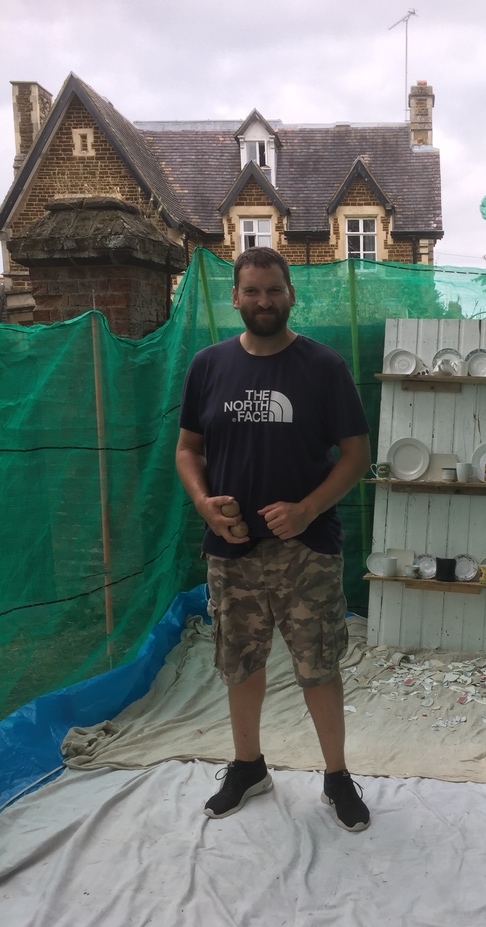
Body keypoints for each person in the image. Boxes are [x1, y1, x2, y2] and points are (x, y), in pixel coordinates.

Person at [175, 247, 371, 831]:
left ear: (291, 294)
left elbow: (357, 454)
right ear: (235, 297)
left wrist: (307, 510)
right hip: (231, 548)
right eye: (253, 291)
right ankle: (248, 767)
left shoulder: (324, 367)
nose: (264, 301)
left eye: (274, 290)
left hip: (307, 550)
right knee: (239, 664)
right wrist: (203, 504)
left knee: (318, 665)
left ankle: (337, 776)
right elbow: (188, 450)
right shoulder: (208, 366)